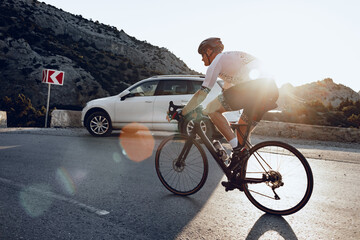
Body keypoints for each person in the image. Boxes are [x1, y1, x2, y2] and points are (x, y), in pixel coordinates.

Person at [172, 37, 279, 185]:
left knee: (211, 109)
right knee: (242, 133)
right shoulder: (230, 62)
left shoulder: (218, 61)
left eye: (202, 54)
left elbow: (203, 92)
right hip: (269, 90)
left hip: (255, 87)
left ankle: (236, 150)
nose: (202, 59)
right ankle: (240, 177)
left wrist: (184, 112)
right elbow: (226, 92)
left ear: (209, 51)